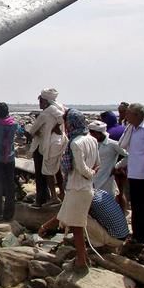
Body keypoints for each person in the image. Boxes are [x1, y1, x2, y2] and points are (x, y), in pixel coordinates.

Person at [39, 109, 99, 271]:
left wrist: (90, 173)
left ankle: (81, 262)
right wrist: (93, 173)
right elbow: (97, 163)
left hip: (77, 187)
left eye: (67, 122)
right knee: (75, 222)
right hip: (86, 188)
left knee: (77, 227)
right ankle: (83, 257)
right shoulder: (91, 139)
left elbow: (81, 168)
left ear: (71, 123)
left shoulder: (75, 143)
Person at [123, 103, 144, 245]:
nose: (126, 115)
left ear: (136, 115)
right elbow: (128, 151)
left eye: (128, 113)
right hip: (134, 175)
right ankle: (138, 236)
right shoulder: (131, 129)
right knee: (136, 207)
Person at [27, 88, 65, 207]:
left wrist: (30, 131)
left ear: (45, 101)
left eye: (41, 100)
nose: (39, 103)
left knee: (42, 173)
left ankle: (43, 199)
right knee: (57, 171)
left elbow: (32, 131)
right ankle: (62, 194)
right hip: (57, 144)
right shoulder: (60, 109)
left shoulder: (45, 114)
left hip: (43, 146)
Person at [0, 102, 23, 221]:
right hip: (10, 159)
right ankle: (8, 215)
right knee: (10, 186)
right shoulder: (13, 124)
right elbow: (21, 132)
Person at [88, 120, 127, 197]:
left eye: (92, 133)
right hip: (93, 178)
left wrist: (117, 166)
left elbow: (128, 155)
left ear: (98, 133)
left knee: (108, 202)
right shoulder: (92, 143)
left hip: (106, 179)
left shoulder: (112, 144)